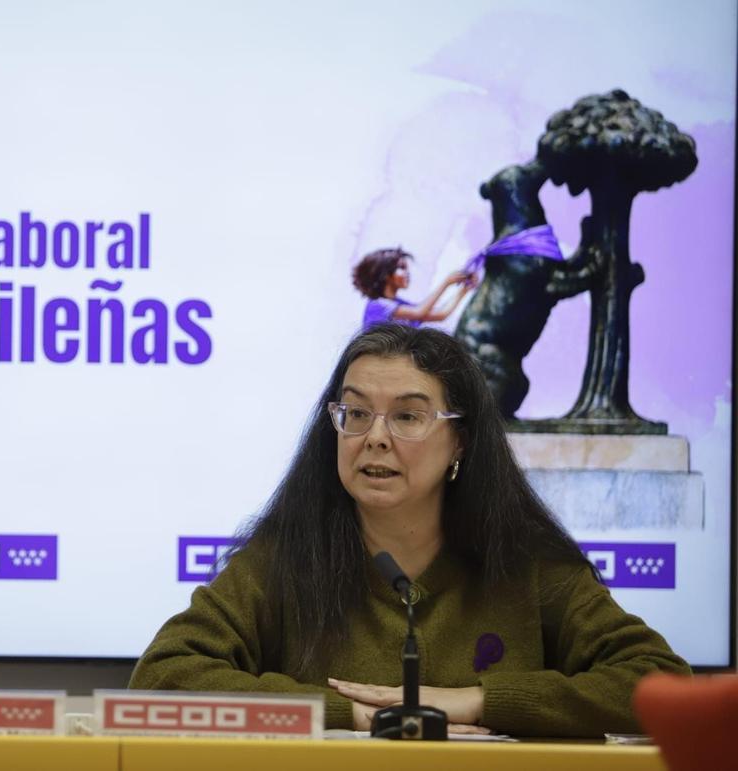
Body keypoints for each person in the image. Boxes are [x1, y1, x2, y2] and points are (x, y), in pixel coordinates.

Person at [129, 324, 689, 736]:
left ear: (461, 441)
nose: (375, 437)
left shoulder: (526, 564)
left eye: (407, 416)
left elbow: (663, 685)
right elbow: (163, 677)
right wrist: (350, 714)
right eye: (355, 413)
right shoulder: (285, 559)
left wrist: (477, 701)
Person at [353, 247, 475, 331]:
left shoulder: (400, 305)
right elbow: (419, 312)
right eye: (401, 268)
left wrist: (464, 290)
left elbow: (441, 314)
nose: (407, 273)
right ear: (385, 274)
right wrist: (446, 283)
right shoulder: (378, 305)